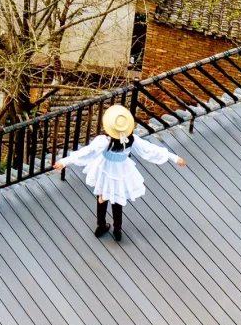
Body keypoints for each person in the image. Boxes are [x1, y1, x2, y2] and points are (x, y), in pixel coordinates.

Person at [53, 104, 185, 243]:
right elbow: (150, 149)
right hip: (122, 170)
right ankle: (117, 229)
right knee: (117, 198)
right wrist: (173, 157)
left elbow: (87, 152)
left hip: (105, 169)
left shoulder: (104, 141)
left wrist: (65, 161)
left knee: (102, 196)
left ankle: (101, 226)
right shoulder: (131, 139)